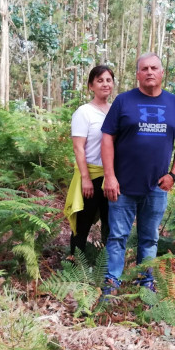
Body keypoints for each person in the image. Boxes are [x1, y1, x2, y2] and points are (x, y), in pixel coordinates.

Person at [100, 52, 175, 296]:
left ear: (162, 73)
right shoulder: (123, 101)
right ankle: (112, 281)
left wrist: (174, 174)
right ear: (138, 74)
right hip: (122, 184)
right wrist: (109, 176)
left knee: (149, 237)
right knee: (117, 236)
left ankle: (145, 280)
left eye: (154, 68)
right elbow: (107, 138)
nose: (149, 72)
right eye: (144, 69)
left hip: (156, 186)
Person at [64, 65, 114, 255]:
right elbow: (78, 148)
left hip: (111, 176)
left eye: (108, 80)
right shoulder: (84, 112)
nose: (105, 84)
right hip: (91, 175)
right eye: (100, 80)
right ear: (90, 86)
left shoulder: (115, 110)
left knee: (111, 222)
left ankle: (106, 265)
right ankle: (75, 263)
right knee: (83, 222)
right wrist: (85, 178)